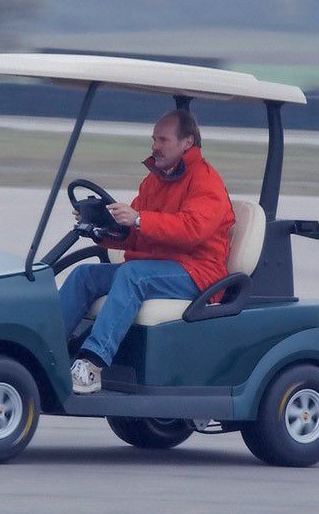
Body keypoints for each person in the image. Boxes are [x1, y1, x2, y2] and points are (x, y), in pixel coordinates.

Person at [59, 108, 235, 393]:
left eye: (163, 140)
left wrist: (139, 218)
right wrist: (102, 227)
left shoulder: (206, 182)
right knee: (85, 275)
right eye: (154, 139)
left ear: (187, 143)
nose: (155, 146)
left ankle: (91, 364)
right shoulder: (155, 180)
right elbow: (137, 235)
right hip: (157, 267)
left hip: (198, 273)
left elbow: (192, 230)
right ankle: (45, 350)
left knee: (133, 276)